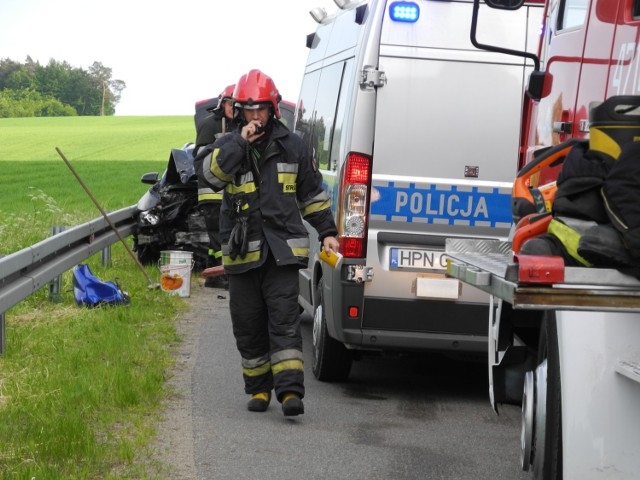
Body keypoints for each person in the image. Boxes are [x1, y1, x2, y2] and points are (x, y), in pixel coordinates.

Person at [196, 69, 339, 416]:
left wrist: (328, 231)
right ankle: (259, 390)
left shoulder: (293, 145)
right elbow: (211, 176)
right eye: (248, 109)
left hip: (282, 253)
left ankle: (290, 393)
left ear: (272, 109)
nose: (255, 116)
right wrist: (239, 141)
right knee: (247, 323)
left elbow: (312, 195)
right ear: (239, 112)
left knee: (284, 321)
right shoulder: (227, 146)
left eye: (260, 109)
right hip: (243, 253)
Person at [193, 85, 238, 288]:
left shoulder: (236, 126)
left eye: (237, 104)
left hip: (227, 193)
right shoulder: (209, 125)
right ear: (223, 104)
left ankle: (212, 274)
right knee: (220, 236)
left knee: (216, 240)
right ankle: (222, 275)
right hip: (211, 193)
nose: (233, 108)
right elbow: (201, 160)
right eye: (230, 103)